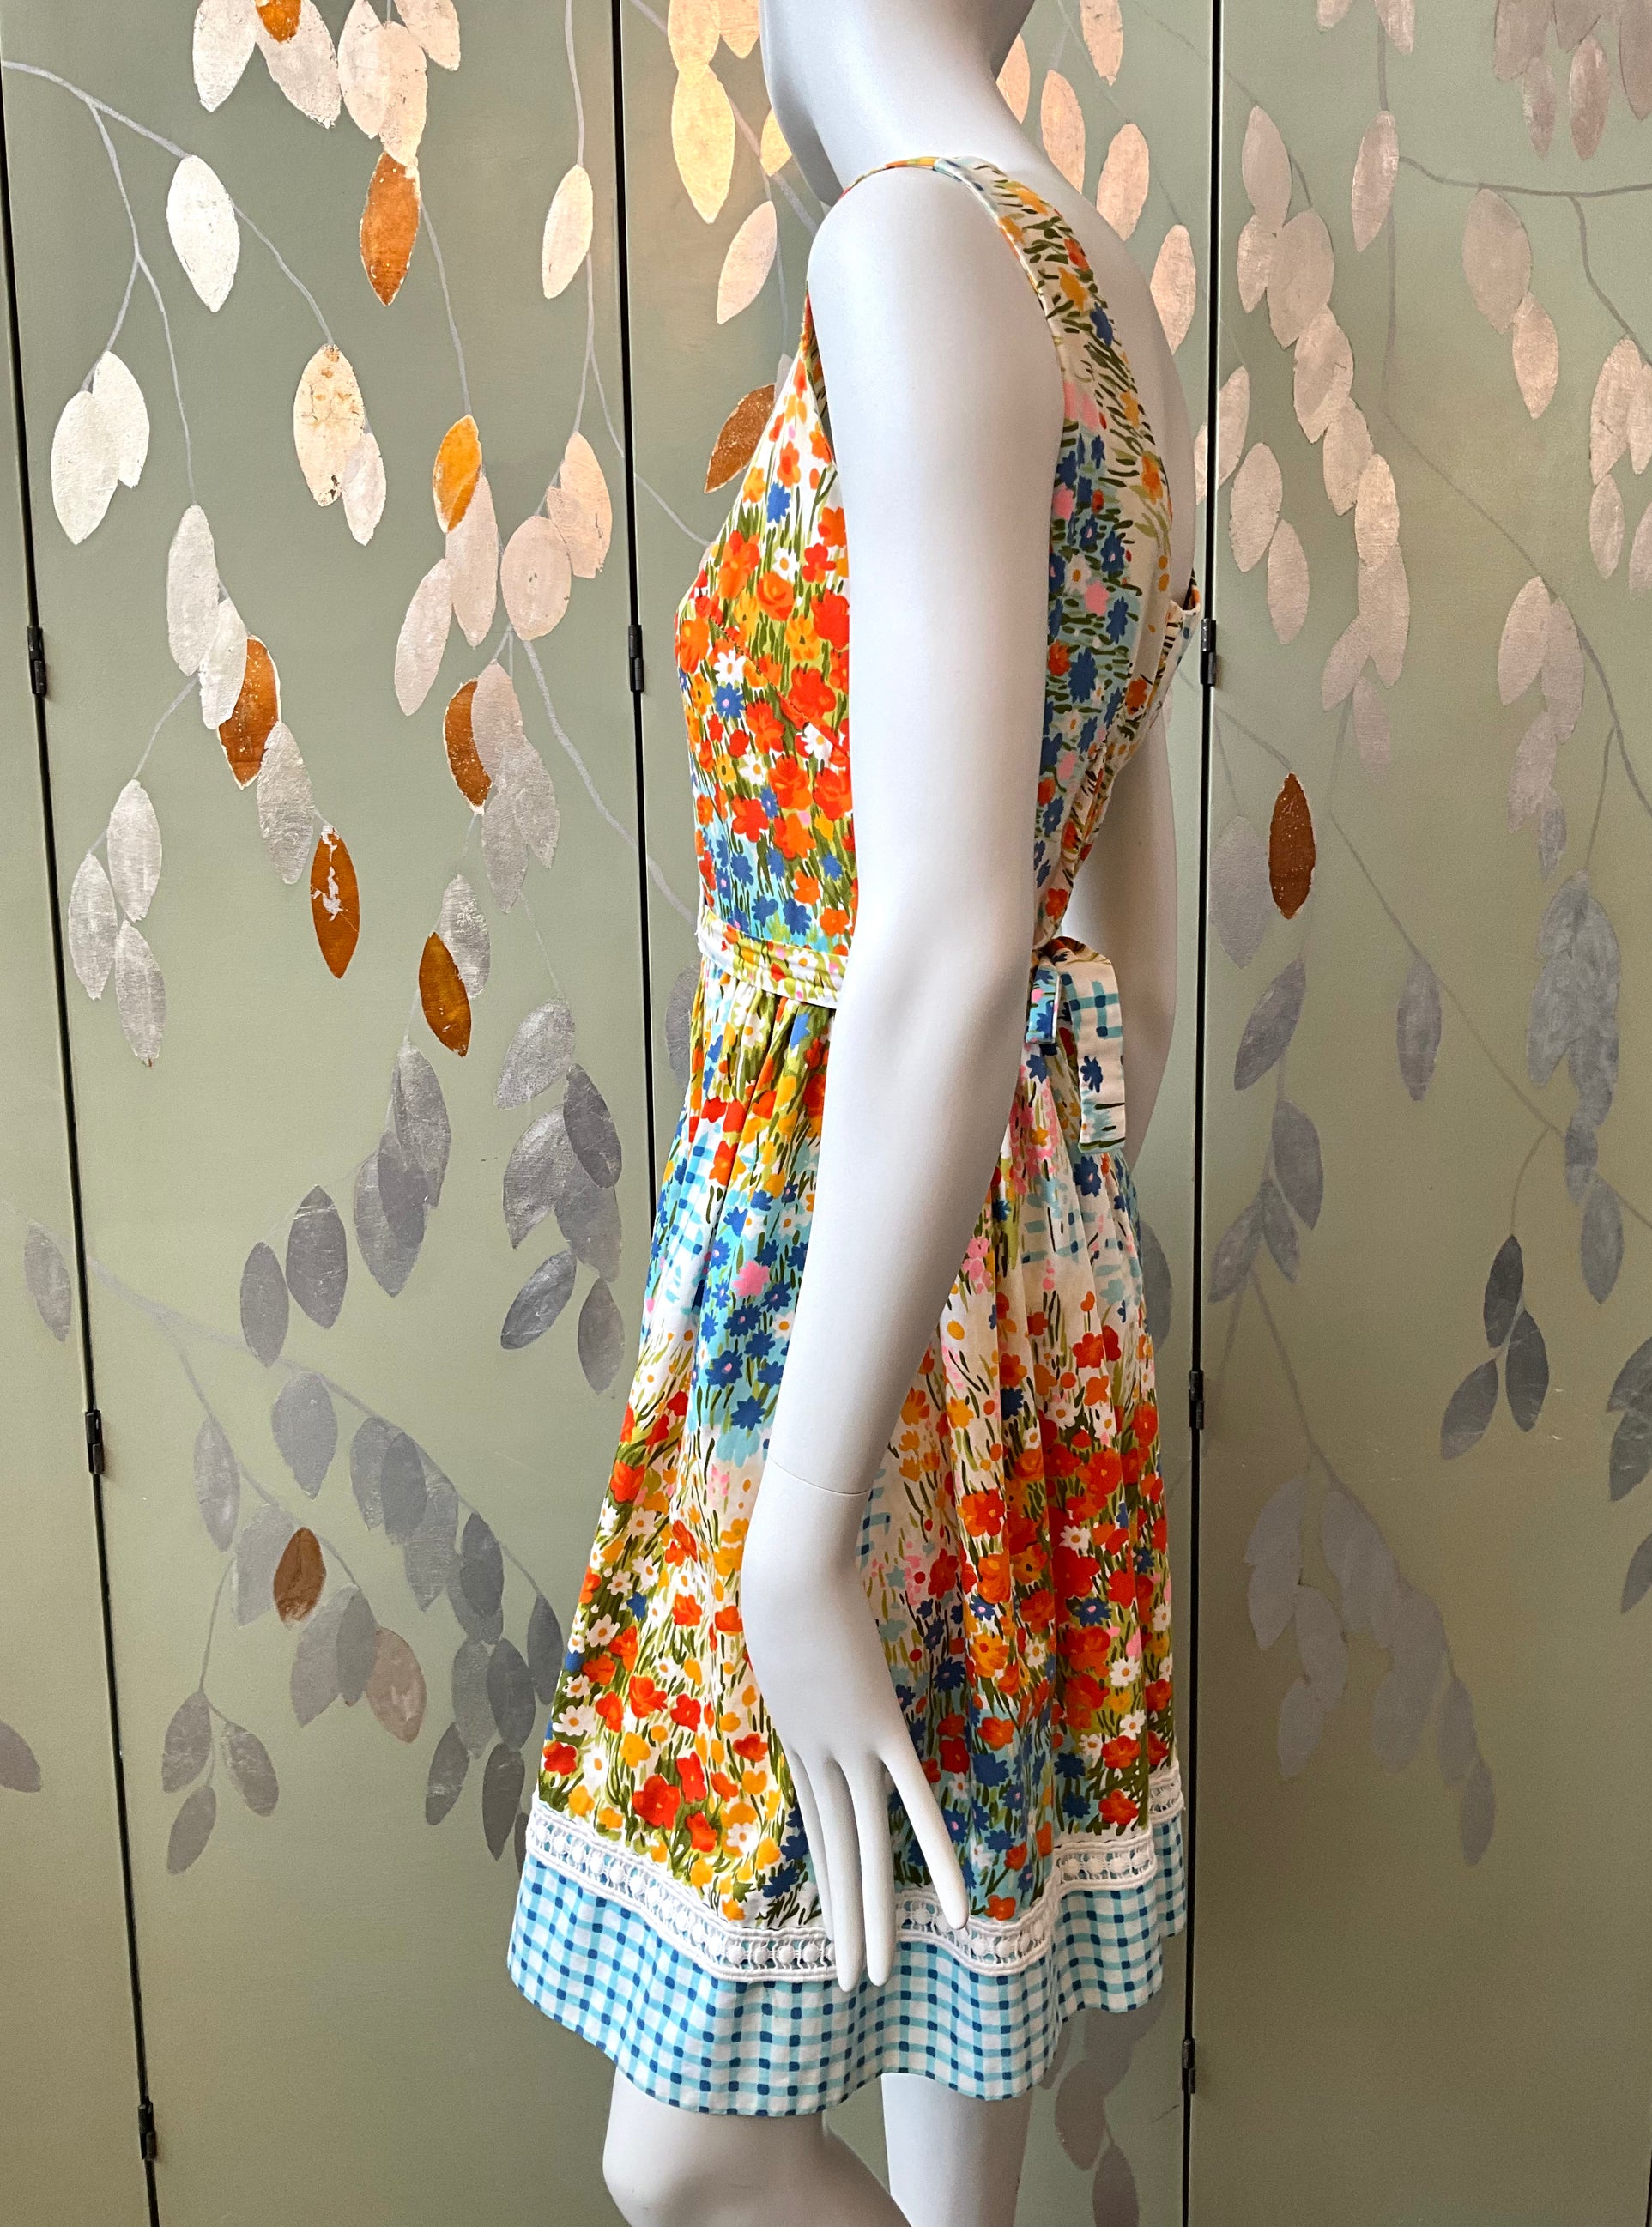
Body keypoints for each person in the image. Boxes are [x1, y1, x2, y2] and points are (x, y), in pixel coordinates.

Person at [507, 4, 1198, 2220]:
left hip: (854, 1295)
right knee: (940, 2041)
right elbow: (1128, 971)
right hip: (1002, 1275)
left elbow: (961, 939)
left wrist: (802, 1515)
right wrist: (1039, 1291)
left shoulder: (908, 251)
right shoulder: (1102, 294)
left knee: (687, 2148)